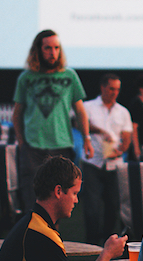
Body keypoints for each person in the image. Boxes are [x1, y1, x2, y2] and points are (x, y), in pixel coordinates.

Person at [13, 30, 93, 213]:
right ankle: (31, 238)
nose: (53, 52)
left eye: (56, 48)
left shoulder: (70, 76)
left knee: (60, 201)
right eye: (48, 48)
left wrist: (86, 138)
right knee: (31, 200)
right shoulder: (26, 78)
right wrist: (22, 143)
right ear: (38, 50)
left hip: (61, 146)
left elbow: (80, 111)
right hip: (33, 147)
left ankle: (53, 239)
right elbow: (17, 114)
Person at [81, 73, 133, 246]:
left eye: (117, 89)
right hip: (92, 161)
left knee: (113, 205)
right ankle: (92, 243)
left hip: (114, 164)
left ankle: (109, 242)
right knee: (92, 206)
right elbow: (80, 124)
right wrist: (101, 131)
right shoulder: (88, 106)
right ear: (103, 87)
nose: (114, 92)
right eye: (111, 88)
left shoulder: (123, 111)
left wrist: (120, 150)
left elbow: (127, 137)